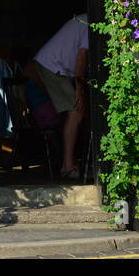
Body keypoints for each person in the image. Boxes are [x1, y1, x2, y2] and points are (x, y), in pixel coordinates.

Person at [29, 13, 89, 180]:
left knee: (76, 112)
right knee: (76, 111)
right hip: (53, 66)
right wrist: (78, 89)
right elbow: (82, 57)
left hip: (53, 65)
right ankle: (67, 166)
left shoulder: (84, 19)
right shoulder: (90, 22)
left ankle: (69, 161)